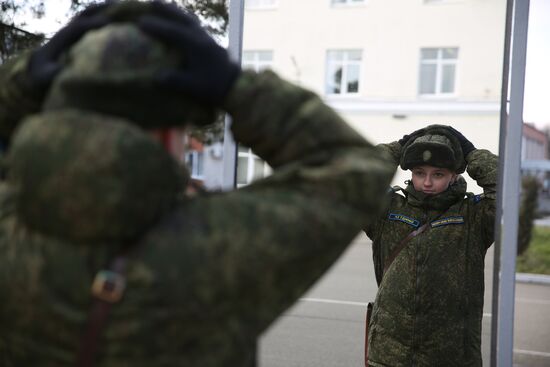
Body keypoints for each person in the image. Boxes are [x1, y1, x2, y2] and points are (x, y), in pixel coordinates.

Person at [0, 1, 395, 366]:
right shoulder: (216, 245)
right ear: (168, 133)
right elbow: (353, 168)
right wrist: (234, 85)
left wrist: (25, 78)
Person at [364, 125, 497, 366]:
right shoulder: (388, 211)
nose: (427, 182)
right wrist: (401, 146)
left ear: (454, 175)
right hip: (389, 354)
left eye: (438, 174)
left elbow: (507, 189)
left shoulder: (474, 216)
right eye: (419, 172)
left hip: (452, 356)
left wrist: (470, 152)